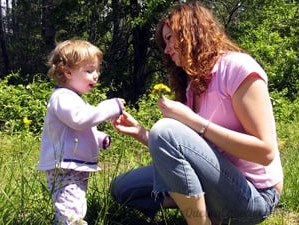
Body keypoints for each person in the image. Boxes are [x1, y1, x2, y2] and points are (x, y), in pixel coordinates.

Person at [110, 2, 283, 225]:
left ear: (193, 31)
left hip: (254, 196)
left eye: (170, 38)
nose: (166, 49)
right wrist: (141, 133)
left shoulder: (238, 68)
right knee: (122, 188)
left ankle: (199, 221)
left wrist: (193, 121)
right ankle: (202, 210)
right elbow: (191, 152)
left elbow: (265, 153)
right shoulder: (193, 85)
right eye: (164, 42)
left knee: (165, 129)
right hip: (216, 184)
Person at [38, 39, 124, 225]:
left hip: (74, 166)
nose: (96, 76)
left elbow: (78, 128)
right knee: (71, 210)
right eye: (89, 70)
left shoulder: (74, 99)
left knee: (74, 205)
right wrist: (110, 107)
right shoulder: (62, 97)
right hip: (64, 166)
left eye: (97, 70)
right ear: (68, 72)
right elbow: (80, 120)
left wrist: (100, 139)